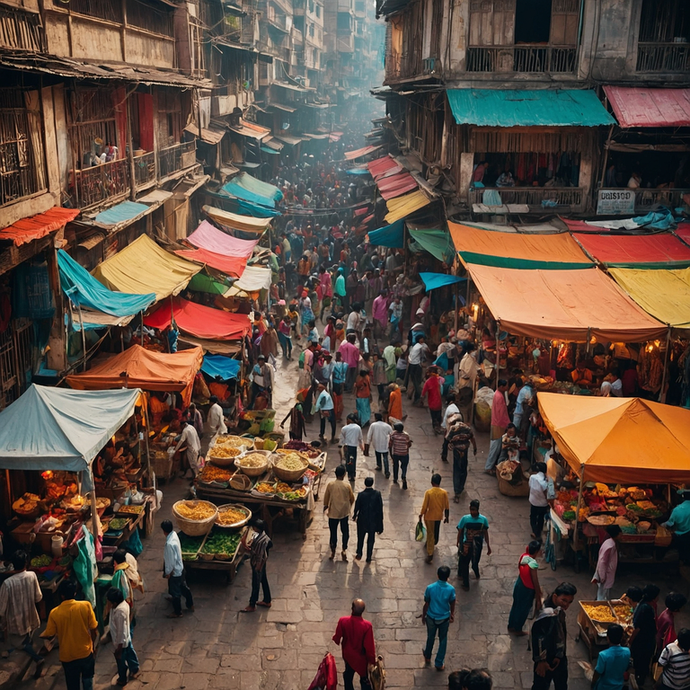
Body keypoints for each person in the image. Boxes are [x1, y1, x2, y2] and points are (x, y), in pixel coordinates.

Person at [40, 579, 98, 690]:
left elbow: (50, 634)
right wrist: (93, 646)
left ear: (61, 596)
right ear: (74, 593)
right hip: (85, 652)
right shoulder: (86, 606)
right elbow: (94, 629)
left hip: (68, 657)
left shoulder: (54, 613)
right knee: (87, 681)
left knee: (72, 685)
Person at [0, 550, 44, 678]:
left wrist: (2, 624)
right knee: (26, 640)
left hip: (16, 622)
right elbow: (38, 597)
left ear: (13, 564)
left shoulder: (7, 584)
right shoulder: (32, 576)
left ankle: (37, 658)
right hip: (30, 617)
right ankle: (30, 664)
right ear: (26, 563)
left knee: (18, 643)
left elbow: (1, 609)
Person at [530, 582, 577, 690]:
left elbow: (560, 632)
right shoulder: (546, 613)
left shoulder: (557, 608)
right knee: (541, 686)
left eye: (569, 602)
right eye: (564, 600)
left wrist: (559, 654)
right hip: (546, 659)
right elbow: (538, 637)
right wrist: (541, 661)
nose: (566, 605)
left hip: (558, 656)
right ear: (555, 596)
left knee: (561, 684)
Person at [332, 599, 376, 690]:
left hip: (348, 655)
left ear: (352, 608)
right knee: (364, 679)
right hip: (361, 658)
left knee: (348, 677)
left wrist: (336, 639)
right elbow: (369, 646)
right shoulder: (367, 625)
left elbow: (337, 638)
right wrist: (372, 660)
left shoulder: (343, 621)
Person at [422, 566, 456, 672]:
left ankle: (427, 656)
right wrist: (452, 614)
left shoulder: (430, 588)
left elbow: (426, 603)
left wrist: (423, 615)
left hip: (431, 617)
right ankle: (439, 663)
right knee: (443, 639)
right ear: (448, 577)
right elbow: (452, 601)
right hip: (444, 618)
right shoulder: (450, 589)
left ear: (437, 575)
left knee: (430, 637)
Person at [507, 541, 543, 636]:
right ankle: (518, 629)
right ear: (536, 551)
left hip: (519, 584)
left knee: (516, 605)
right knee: (523, 609)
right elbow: (535, 580)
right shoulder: (533, 564)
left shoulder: (523, 556)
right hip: (527, 589)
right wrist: (538, 592)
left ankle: (511, 625)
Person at [456, 499, 491, 592]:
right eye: (471, 510)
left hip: (477, 545)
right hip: (466, 544)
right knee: (465, 563)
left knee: (475, 561)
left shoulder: (483, 520)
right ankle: (466, 583)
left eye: (474, 510)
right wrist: (458, 542)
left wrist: (488, 546)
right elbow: (460, 530)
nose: (473, 512)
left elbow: (485, 533)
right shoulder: (465, 518)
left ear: (478, 509)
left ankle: (476, 574)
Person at [106, 588, 139, 686]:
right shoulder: (123, 604)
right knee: (130, 653)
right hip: (126, 639)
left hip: (121, 642)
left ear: (115, 602)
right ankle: (135, 667)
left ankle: (122, 679)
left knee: (120, 661)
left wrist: (119, 649)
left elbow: (121, 631)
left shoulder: (119, 612)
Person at [161, 520, 194, 618]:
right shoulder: (174, 535)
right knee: (183, 586)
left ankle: (178, 612)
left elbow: (170, 561)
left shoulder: (169, 544)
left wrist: (168, 573)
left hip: (175, 571)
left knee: (176, 592)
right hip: (180, 567)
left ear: (164, 531)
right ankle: (190, 603)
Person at [630, 584, 661, 686]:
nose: (658, 598)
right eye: (657, 596)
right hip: (643, 642)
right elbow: (637, 628)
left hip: (643, 640)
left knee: (641, 661)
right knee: (642, 662)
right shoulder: (646, 609)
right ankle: (639, 681)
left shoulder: (643, 605)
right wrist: (630, 641)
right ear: (653, 597)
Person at [323, 465, 355, 561]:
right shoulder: (347, 486)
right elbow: (352, 498)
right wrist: (347, 506)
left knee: (333, 533)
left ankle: (333, 551)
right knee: (345, 532)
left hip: (333, 513)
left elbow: (326, 498)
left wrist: (326, 507)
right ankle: (344, 549)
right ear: (344, 475)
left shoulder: (330, 485)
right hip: (344, 513)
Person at [443, 414, 477, 502]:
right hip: (465, 451)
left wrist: (446, 450)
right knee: (463, 469)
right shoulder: (467, 428)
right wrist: (475, 448)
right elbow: (472, 438)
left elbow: (447, 439)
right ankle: (461, 487)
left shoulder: (453, 429)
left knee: (456, 470)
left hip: (456, 452)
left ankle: (457, 492)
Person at [241, 519, 273, 612]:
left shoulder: (260, 542)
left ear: (257, 529)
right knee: (264, 580)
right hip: (261, 563)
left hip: (258, 564)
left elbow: (260, 555)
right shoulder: (262, 535)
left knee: (256, 584)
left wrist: (258, 567)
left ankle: (252, 605)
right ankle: (267, 600)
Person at [419, 474, 450, 563]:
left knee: (430, 533)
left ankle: (430, 554)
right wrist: (446, 516)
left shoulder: (428, 492)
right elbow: (447, 506)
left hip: (429, 516)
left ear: (432, 482)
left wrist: (421, 514)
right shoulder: (444, 492)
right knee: (435, 531)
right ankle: (432, 543)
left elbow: (425, 506)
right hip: (438, 516)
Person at [353, 477, 384, 563]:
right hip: (373, 520)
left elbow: (357, 507)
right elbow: (380, 509)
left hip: (362, 519)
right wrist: (380, 524)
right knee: (371, 539)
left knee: (360, 537)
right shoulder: (377, 494)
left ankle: (359, 552)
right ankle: (369, 556)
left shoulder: (361, 494)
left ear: (365, 483)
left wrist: (355, 515)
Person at [591, 624, 630, 690]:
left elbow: (597, 673)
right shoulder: (627, 652)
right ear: (622, 637)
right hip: (618, 687)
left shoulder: (603, 655)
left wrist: (592, 684)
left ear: (608, 638)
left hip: (604, 687)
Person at [485, 380, 509, 474]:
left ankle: (491, 465)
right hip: (499, 424)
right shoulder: (499, 396)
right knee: (495, 447)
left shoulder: (497, 394)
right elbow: (501, 413)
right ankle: (488, 467)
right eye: (506, 386)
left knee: (495, 446)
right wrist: (507, 424)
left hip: (497, 423)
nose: (507, 388)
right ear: (502, 387)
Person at [592, 525, 621, 601]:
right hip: (606, 574)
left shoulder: (608, 542)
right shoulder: (610, 545)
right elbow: (603, 561)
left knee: (602, 592)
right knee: (603, 595)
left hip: (606, 574)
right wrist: (602, 576)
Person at [664, 490, 690, 563]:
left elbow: (670, 523)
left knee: (682, 554)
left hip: (681, 537)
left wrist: (662, 525)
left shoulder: (677, 509)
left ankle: (682, 565)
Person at [528, 462, 551, 539]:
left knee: (533, 516)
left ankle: (535, 531)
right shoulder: (544, 482)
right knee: (541, 518)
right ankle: (537, 533)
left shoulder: (532, 477)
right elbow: (546, 493)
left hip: (533, 501)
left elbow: (530, 486)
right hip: (542, 504)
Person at [339, 414, 364, 481]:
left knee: (348, 460)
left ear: (349, 420)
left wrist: (340, 445)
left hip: (347, 447)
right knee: (353, 460)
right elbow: (360, 438)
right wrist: (361, 446)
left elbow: (342, 438)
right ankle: (353, 473)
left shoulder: (345, 428)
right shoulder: (358, 428)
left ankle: (350, 474)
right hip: (354, 447)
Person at [367, 413, 393, 478]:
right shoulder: (387, 426)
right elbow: (392, 434)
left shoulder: (373, 425)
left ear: (376, 418)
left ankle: (379, 466)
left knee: (378, 455)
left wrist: (367, 443)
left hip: (376, 443)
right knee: (385, 458)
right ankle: (386, 471)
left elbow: (369, 435)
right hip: (384, 444)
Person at [389, 422, 412, 488]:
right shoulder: (406, 435)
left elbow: (390, 445)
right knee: (404, 466)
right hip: (404, 453)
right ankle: (403, 476)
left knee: (395, 466)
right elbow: (408, 445)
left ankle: (395, 479)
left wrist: (391, 454)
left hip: (396, 453)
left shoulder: (393, 434)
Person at [422, 367, 444, 433]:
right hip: (439, 402)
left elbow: (423, 392)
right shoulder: (438, 379)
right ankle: (438, 426)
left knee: (433, 416)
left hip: (431, 402)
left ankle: (435, 427)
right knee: (438, 415)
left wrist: (422, 399)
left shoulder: (428, 382)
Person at [408, 336, 429, 403]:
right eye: (421, 338)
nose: (423, 339)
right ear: (419, 340)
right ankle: (418, 396)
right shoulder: (421, 347)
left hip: (412, 365)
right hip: (417, 365)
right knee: (418, 381)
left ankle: (415, 396)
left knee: (415, 381)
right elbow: (425, 355)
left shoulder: (414, 347)